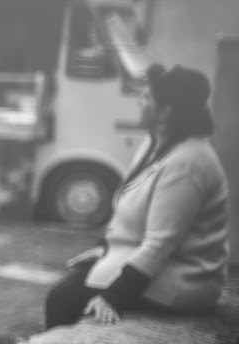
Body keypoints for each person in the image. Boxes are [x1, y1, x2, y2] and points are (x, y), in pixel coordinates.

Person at [45, 64, 230, 329]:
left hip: (184, 281)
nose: (139, 101)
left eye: (146, 97)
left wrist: (114, 297)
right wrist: (105, 251)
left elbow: (160, 243)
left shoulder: (187, 163)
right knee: (68, 289)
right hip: (160, 268)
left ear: (166, 111)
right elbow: (134, 219)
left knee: (64, 299)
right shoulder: (156, 144)